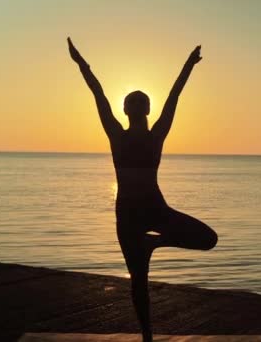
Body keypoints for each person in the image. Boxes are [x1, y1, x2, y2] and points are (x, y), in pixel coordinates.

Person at [68, 37, 218, 342]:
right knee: (139, 280)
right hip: (127, 214)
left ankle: (155, 243)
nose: (136, 105)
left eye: (141, 102)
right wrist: (82, 64)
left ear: (147, 108)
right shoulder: (116, 135)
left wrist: (189, 65)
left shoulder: (157, 135)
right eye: (131, 102)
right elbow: (97, 93)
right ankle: (147, 336)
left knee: (208, 239)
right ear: (125, 109)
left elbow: (175, 95)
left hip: (155, 208)